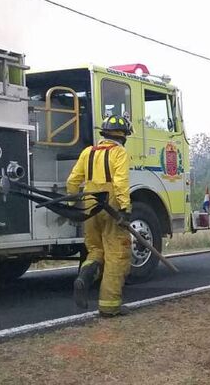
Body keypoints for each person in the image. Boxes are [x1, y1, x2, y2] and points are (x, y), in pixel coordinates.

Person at [67, 115, 133, 317]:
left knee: (95, 250)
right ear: (122, 135)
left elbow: (73, 180)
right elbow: (120, 182)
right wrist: (125, 208)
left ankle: (85, 277)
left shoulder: (88, 152)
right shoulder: (119, 153)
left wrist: (72, 203)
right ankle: (109, 306)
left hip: (90, 208)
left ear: (104, 133)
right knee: (117, 255)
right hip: (110, 207)